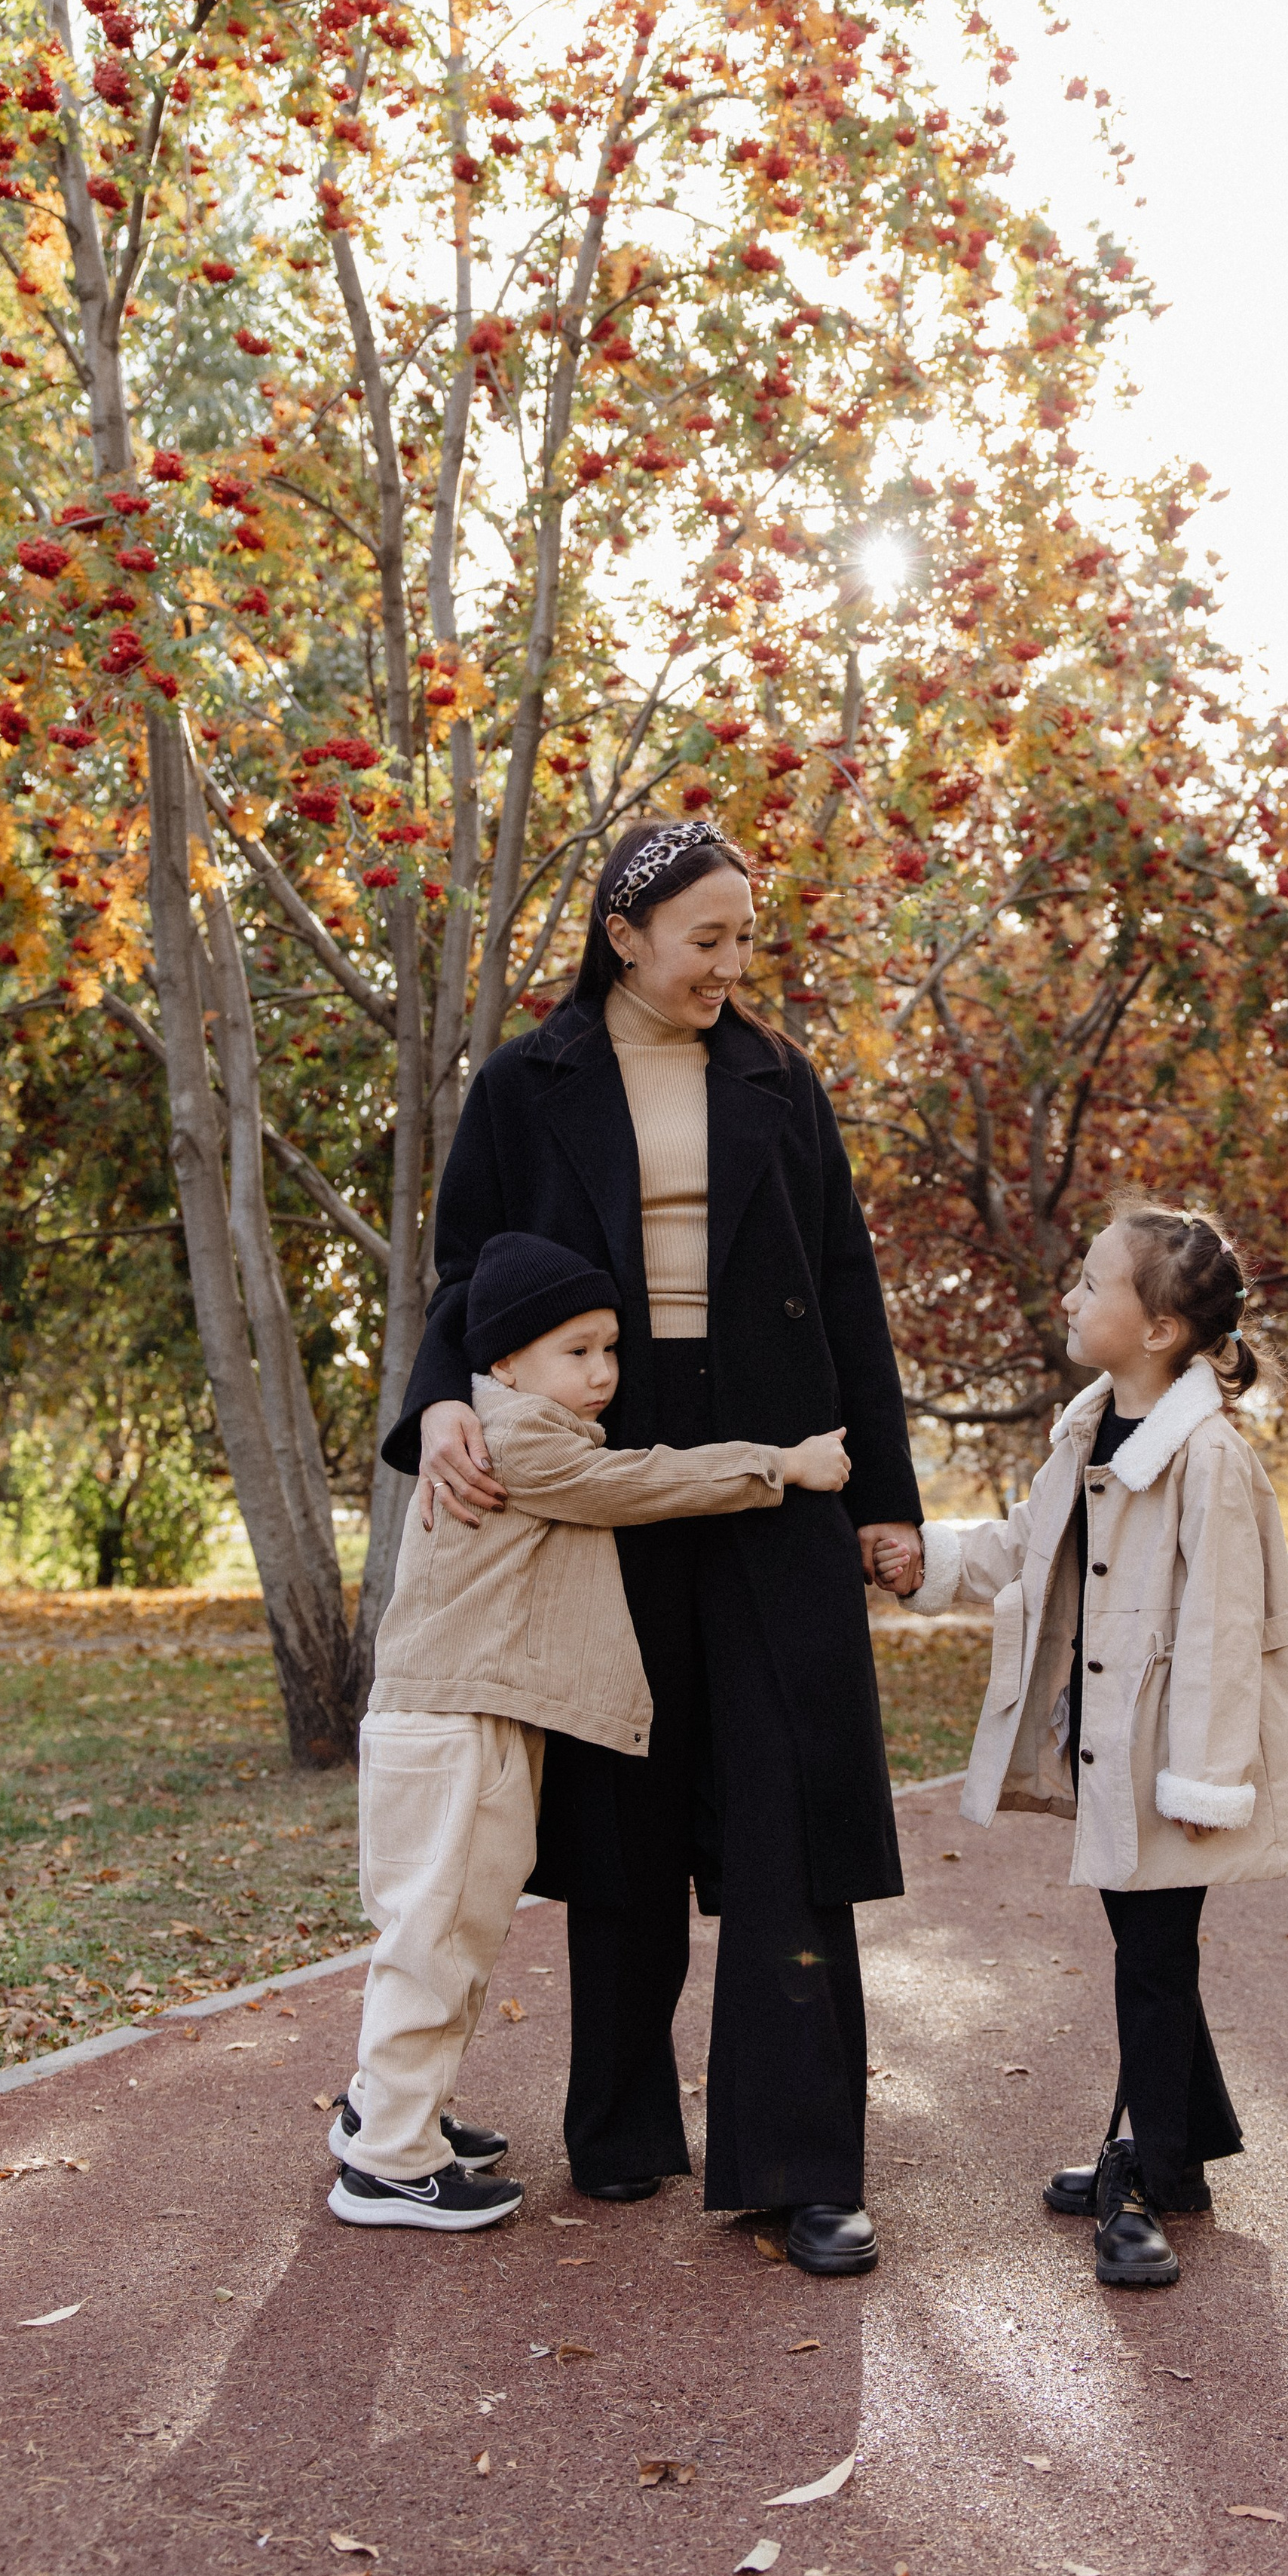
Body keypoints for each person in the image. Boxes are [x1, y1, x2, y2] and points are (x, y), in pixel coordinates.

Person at [381, 818, 924, 2277]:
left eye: (746, 937)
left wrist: (885, 1496)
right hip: (599, 1465)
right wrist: (443, 1402)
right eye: (707, 939)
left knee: (789, 1808)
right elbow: (465, 1273)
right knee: (621, 1802)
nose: (732, 965)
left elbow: (847, 1284)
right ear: (624, 938)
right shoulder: (525, 1083)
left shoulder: (777, 1079)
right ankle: (620, 2130)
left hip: (780, 1465)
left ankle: (802, 2167)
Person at [331, 1231, 852, 2231]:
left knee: (448, 1934)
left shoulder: (502, 1425)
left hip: (463, 1719)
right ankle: (387, 2163)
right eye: (577, 1351)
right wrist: (780, 1465)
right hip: (457, 1729)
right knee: (437, 1940)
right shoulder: (516, 1440)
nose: (604, 1373)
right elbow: (640, 1484)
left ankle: (389, 2111)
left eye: (612, 1348)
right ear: (504, 1361)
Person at [877, 1208, 1288, 2288]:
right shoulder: (1090, 1431)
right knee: (1151, 1950)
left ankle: (1148, 2174)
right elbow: (1026, 1544)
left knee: (1155, 1962)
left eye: (1091, 1284)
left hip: (1171, 1759)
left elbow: (1224, 1630)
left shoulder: (1208, 1458)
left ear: (1159, 1330)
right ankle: (1186, 2149)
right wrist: (924, 1558)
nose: (1071, 1299)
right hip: (1114, 1746)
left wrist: (1203, 1782)